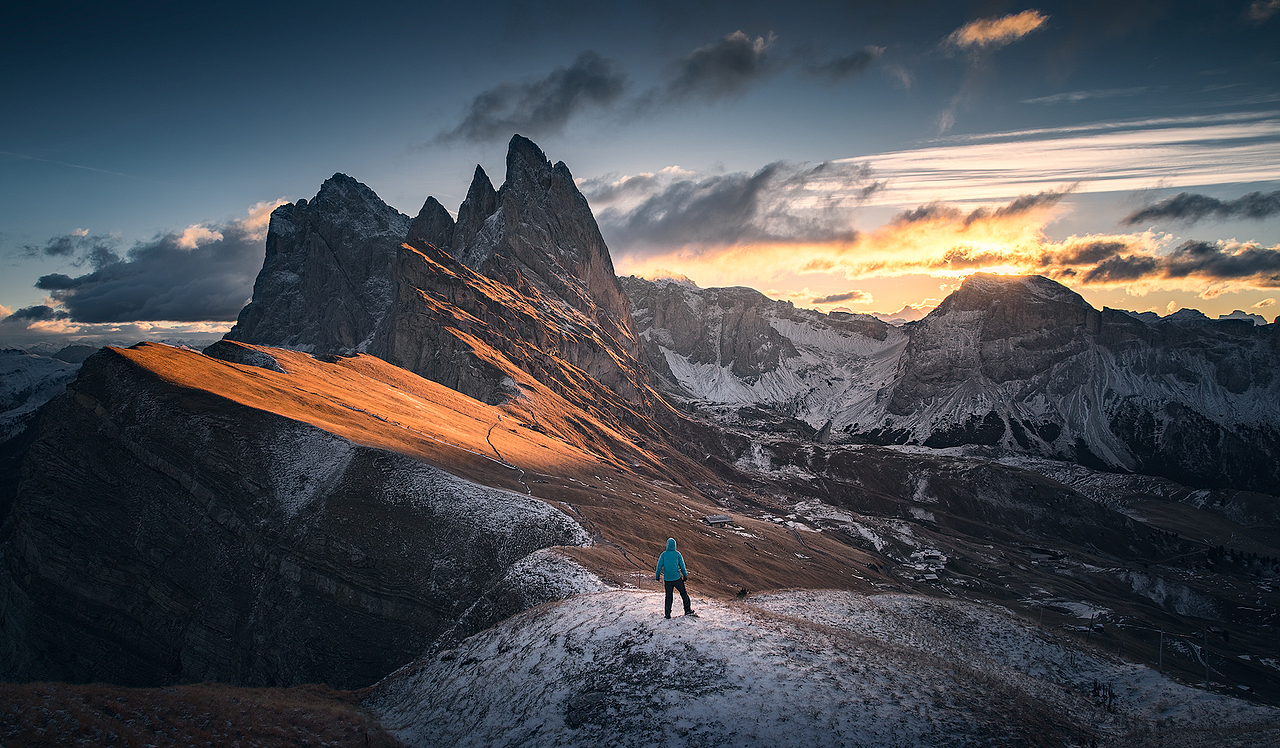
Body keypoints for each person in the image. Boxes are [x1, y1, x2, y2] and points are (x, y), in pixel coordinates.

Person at [655, 537, 694, 618]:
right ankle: (687, 610)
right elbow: (682, 566)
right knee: (684, 594)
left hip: (667, 579)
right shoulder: (677, 554)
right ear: (675, 545)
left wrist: (657, 576)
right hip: (677, 578)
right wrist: (685, 575)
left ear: (667, 545)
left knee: (668, 597)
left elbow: (659, 566)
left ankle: (667, 614)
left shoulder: (663, 554)